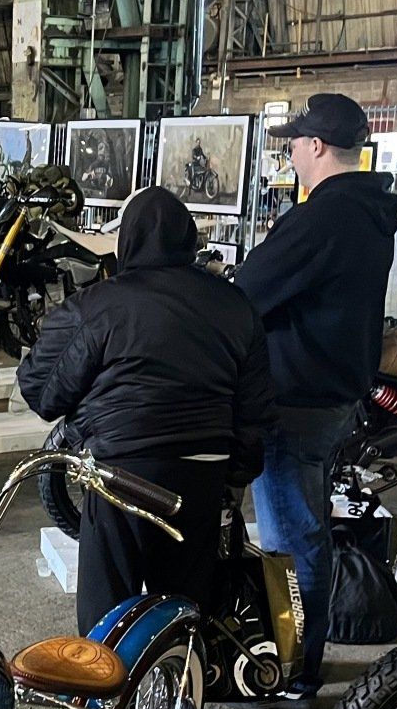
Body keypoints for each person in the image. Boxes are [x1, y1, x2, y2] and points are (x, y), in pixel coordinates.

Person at [18, 187, 275, 634]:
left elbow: (41, 391)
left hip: (121, 473)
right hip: (202, 474)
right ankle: (179, 677)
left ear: (127, 241)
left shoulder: (98, 304)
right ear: (189, 239)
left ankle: (108, 678)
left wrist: (91, 414)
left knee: (106, 615)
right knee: (184, 614)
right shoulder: (236, 305)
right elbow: (254, 411)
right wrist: (234, 478)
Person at [234, 92, 397, 709]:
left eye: (296, 145)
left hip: (296, 401)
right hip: (335, 393)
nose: (292, 155)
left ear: (318, 146)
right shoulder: (369, 209)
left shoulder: (321, 218)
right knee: (307, 527)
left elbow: (250, 288)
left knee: (293, 540)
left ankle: (297, 668)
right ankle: (303, 653)